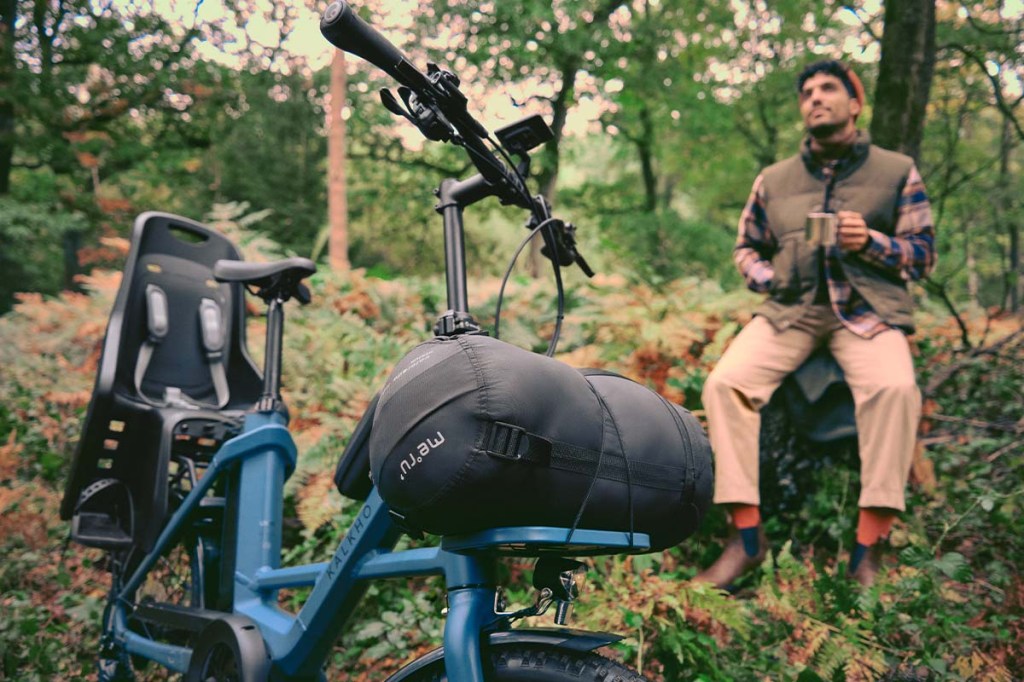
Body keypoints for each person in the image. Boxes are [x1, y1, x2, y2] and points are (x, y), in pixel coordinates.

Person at [695, 60, 936, 589]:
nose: (815, 98)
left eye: (829, 89)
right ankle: (746, 539)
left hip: (868, 312)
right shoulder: (775, 179)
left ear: (855, 104)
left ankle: (867, 549)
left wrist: (870, 242)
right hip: (791, 311)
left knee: (895, 390)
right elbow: (745, 247)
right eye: (807, 92)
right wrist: (767, 276)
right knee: (725, 384)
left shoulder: (897, 171)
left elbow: (922, 256)